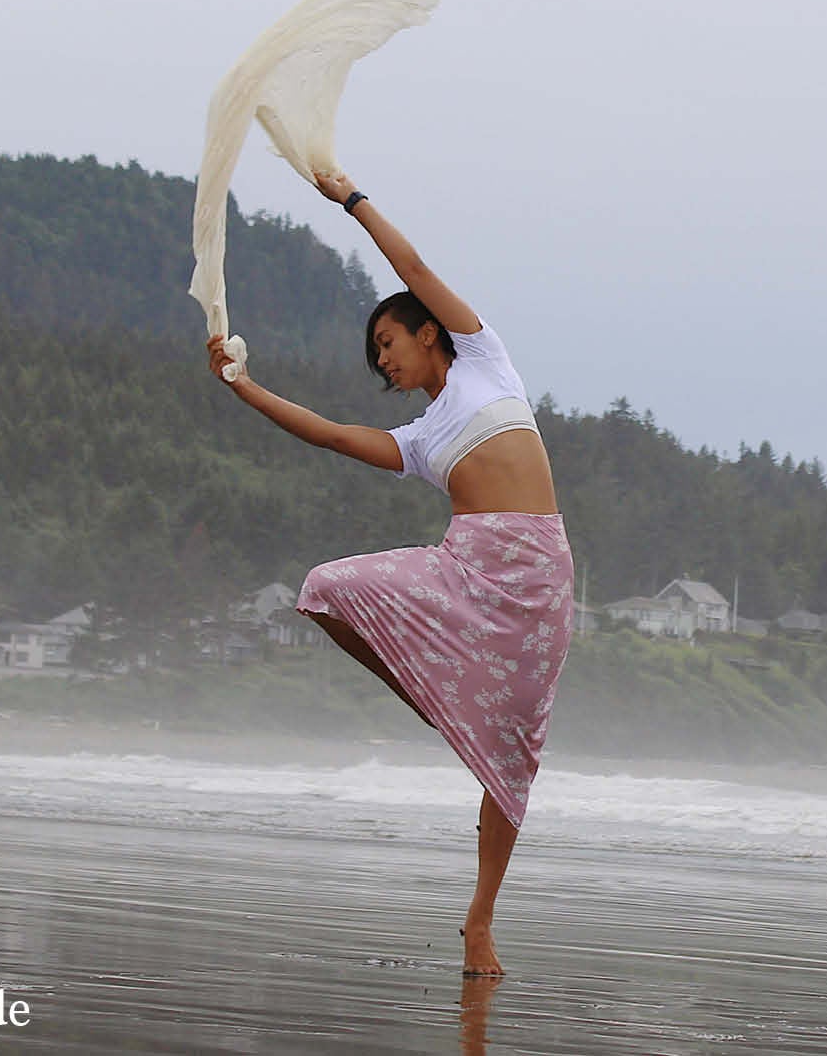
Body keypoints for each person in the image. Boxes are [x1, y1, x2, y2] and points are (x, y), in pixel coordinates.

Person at [208, 171, 572, 978]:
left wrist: (351, 200)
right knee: (325, 590)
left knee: (514, 757)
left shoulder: (485, 360)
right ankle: (432, 698)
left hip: (540, 574)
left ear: (429, 332)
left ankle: (480, 922)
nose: (383, 359)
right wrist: (245, 388)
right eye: (377, 353)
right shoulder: (419, 438)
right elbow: (332, 434)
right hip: (468, 564)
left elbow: (412, 268)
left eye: (389, 342)